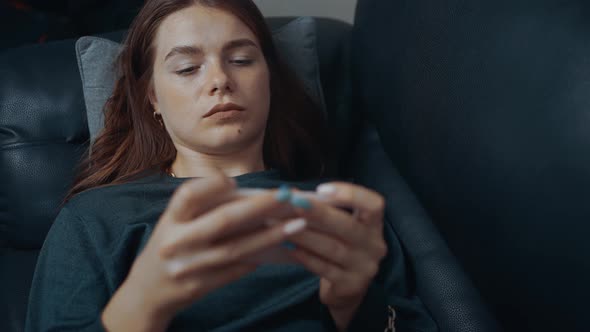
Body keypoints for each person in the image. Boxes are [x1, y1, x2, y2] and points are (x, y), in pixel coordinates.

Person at [24, 0, 438, 331]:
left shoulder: (340, 212)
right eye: (187, 68)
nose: (220, 79)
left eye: (241, 59)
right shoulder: (97, 218)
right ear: (152, 98)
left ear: (269, 79)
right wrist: (142, 305)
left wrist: (356, 304)